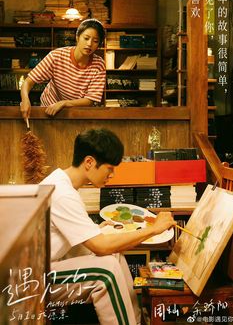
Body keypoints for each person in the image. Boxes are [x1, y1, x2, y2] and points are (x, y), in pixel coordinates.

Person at [41, 128, 176, 324]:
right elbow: (100, 246)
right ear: (89, 162)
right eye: (109, 169)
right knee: (106, 269)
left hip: (51, 264)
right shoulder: (62, 192)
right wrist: (153, 229)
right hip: (33, 278)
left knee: (113, 255)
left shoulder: (64, 184)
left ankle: (135, 320)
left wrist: (97, 230)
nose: (111, 175)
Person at [20, 18, 106, 118]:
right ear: (77, 37)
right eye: (86, 38)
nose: (89, 44)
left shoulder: (99, 65)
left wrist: (64, 103)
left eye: (95, 41)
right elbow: (28, 81)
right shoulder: (57, 55)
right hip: (48, 108)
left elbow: (90, 100)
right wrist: (25, 100)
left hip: (76, 112)